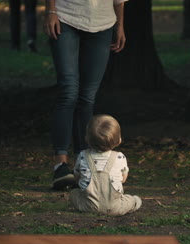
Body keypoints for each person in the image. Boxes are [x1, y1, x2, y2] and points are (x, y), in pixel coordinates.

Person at [44, 0, 128, 190]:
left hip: (103, 22)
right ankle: (61, 165)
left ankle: (84, 166)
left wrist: (120, 25)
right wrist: (50, 11)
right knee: (68, 91)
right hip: (65, 16)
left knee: (87, 97)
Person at [69, 115, 142, 216]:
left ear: (87, 138)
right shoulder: (119, 157)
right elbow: (123, 179)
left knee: (74, 193)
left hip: (87, 206)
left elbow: (77, 176)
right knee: (130, 199)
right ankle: (135, 202)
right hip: (115, 208)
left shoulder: (82, 156)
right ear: (119, 140)